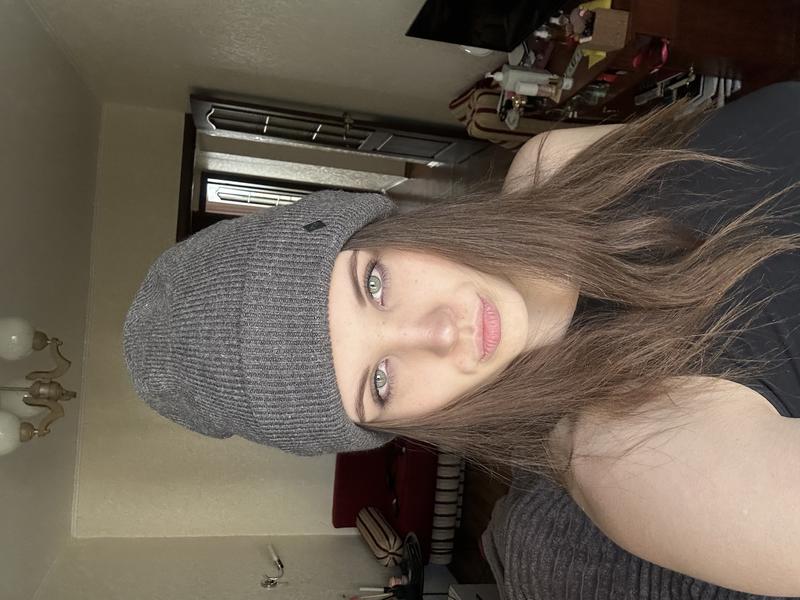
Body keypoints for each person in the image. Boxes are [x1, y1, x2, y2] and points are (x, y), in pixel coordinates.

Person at [123, 81, 800, 598]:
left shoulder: (553, 162)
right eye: (380, 381)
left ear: (380, 229)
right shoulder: (632, 456)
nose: (439, 332)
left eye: (374, 284)